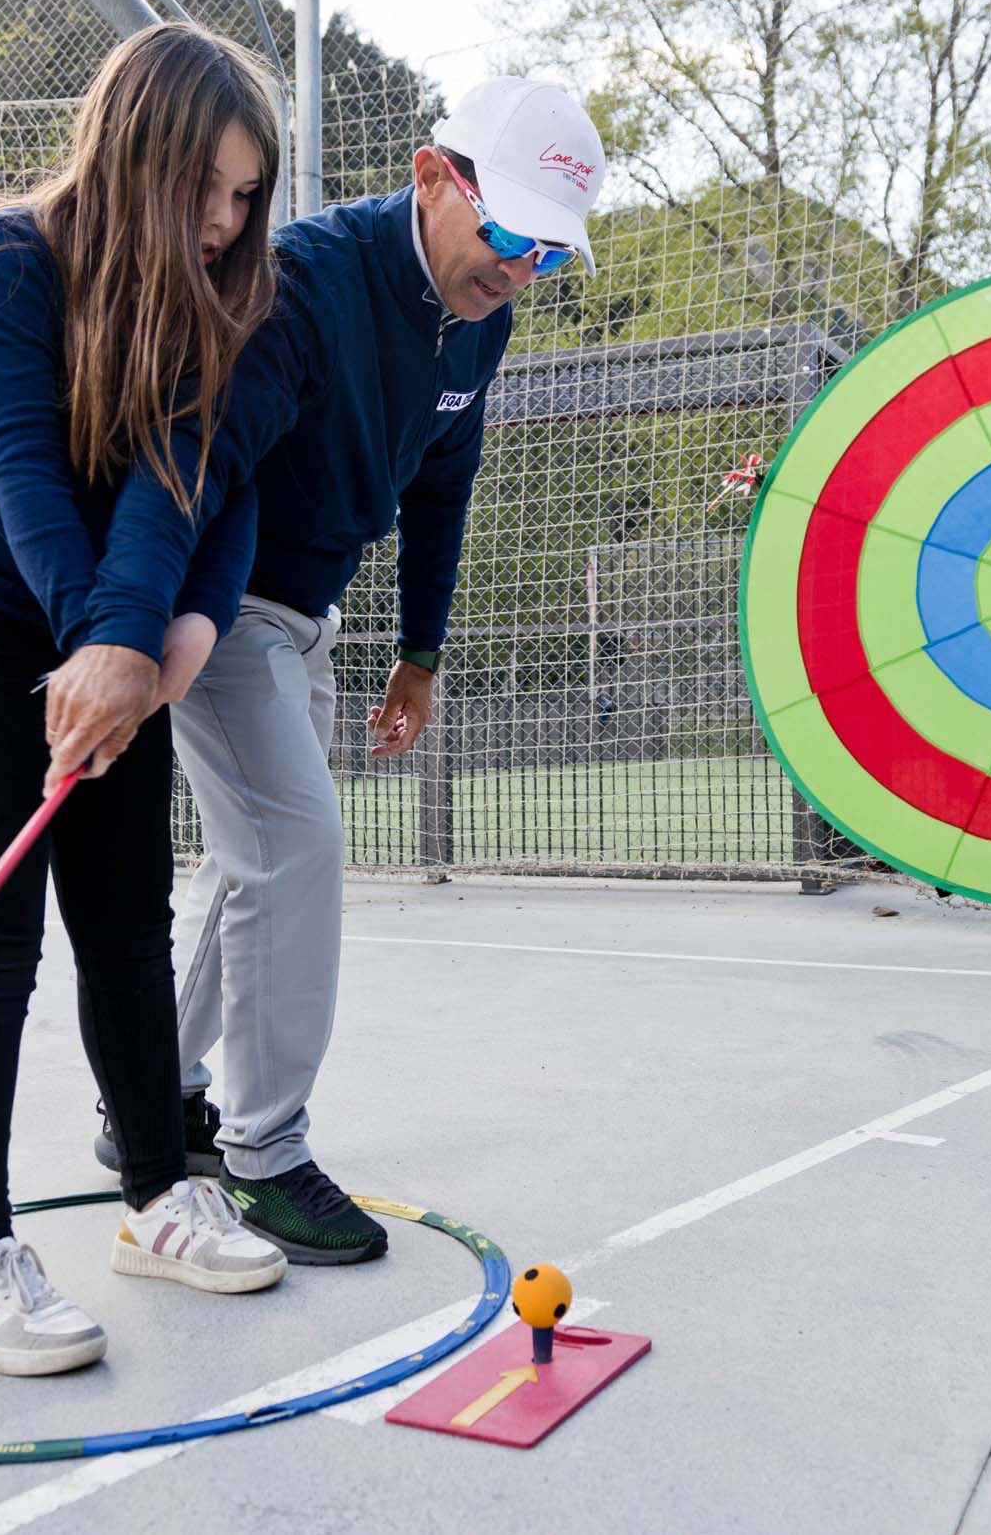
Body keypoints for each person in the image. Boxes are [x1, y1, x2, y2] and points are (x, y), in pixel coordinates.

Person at [89, 78, 609, 1267]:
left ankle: (146, 1096)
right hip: (221, 612)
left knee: (257, 860)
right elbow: (195, 458)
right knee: (299, 845)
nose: (521, 267)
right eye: (509, 234)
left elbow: (441, 484)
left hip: (308, 614)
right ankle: (264, 1152)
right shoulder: (302, 283)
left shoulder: (482, 320)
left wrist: (419, 653)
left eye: (548, 251)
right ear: (432, 175)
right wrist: (134, 629)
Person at [0, 22, 290, 1378]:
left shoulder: (217, 301)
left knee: (126, 919)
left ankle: (160, 1194)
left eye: (247, 195)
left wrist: (171, 642)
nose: (229, 223)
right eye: (212, 189)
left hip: (107, 623)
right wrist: (96, 647)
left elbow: (208, 491)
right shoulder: (2, 256)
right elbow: (15, 472)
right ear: (139, 156)